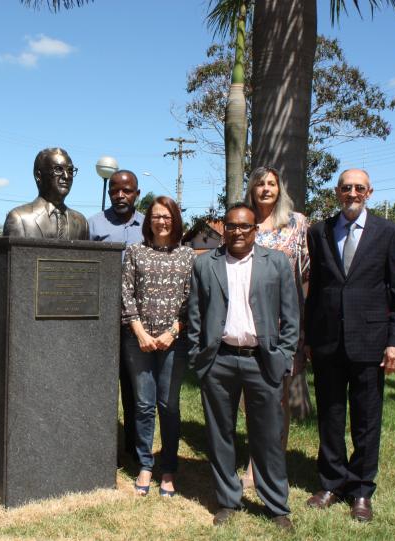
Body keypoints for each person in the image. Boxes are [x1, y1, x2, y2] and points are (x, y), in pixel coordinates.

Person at [304, 169, 395, 522]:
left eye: (358, 188)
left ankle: (361, 489)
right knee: (330, 417)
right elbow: (316, 290)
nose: (352, 193)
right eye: (346, 187)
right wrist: (309, 337)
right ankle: (332, 483)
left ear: (369, 192)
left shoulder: (387, 232)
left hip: (370, 342)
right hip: (327, 342)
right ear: (337, 192)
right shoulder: (319, 231)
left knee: (366, 420)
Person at [187, 203, 298, 530]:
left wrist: (283, 356)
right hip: (218, 361)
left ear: (255, 230)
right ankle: (228, 500)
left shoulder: (276, 262)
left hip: (262, 361)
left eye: (244, 226)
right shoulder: (205, 264)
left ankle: (276, 505)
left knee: (267, 436)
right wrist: (197, 357)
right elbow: (194, 314)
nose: (238, 232)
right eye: (232, 226)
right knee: (220, 434)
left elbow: (291, 316)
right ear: (224, 228)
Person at [241, 165, 311, 488]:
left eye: (271, 183)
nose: (266, 189)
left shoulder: (297, 224)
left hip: (285, 323)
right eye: (260, 184)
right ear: (252, 190)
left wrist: (304, 321)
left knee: (280, 397)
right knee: (253, 397)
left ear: (279, 188)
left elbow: (307, 275)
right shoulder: (244, 222)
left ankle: (273, 463)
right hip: (248, 321)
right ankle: (254, 461)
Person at [121, 196, 195, 497]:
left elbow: (192, 299)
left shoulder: (188, 255)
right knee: (143, 404)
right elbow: (126, 294)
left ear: (175, 220)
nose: (162, 221)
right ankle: (145, 464)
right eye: (156, 216)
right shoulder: (135, 252)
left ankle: (168, 468)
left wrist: (173, 331)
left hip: (173, 342)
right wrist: (139, 331)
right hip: (138, 340)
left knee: (168, 404)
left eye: (167, 216)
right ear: (148, 221)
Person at [88, 170, 144, 463]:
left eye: (127, 190)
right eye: (114, 191)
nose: (120, 196)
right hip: (101, 318)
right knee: (100, 384)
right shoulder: (94, 224)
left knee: (135, 387)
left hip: (137, 321)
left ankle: (134, 448)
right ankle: (98, 446)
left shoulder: (148, 226)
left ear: (137, 193)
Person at [2, 147, 89, 239]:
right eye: (58, 169)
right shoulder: (19, 218)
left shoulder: (82, 222)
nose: (66, 176)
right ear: (38, 176)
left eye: (70, 170)